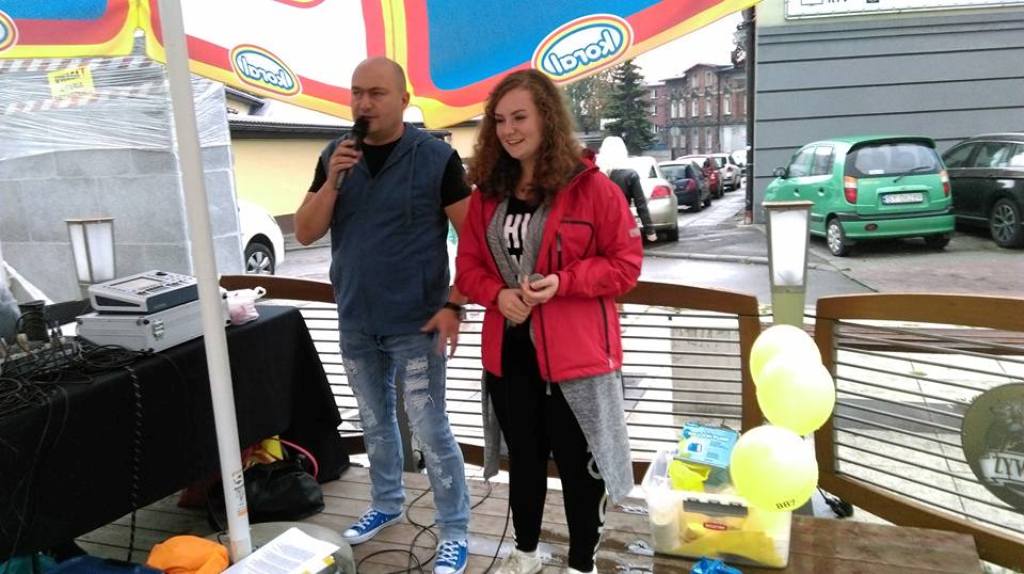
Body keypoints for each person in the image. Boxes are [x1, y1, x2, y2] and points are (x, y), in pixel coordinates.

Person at [455, 69, 642, 574]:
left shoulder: (593, 188)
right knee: (525, 460)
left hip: (577, 357)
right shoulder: (487, 194)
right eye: (499, 120)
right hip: (511, 353)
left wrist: (564, 282)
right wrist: (497, 295)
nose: (508, 130)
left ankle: (583, 564)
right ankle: (526, 553)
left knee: (581, 467)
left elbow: (625, 266)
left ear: (547, 119)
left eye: (519, 117)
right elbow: (467, 268)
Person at [294, 57, 471, 574]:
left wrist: (455, 303)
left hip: (417, 321)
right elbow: (304, 231)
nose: (364, 103)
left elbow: (475, 240)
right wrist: (333, 181)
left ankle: (455, 529)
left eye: (376, 93)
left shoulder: (436, 158)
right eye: (357, 92)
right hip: (356, 318)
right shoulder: (334, 155)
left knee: (431, 427)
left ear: (403, 100)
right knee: (374, 421)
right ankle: (387, 502)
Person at [607, 167, 658, 242]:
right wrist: (649, 230)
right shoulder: (630, 174)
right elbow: (640, 203)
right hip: (621, 219)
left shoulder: (599, 176)